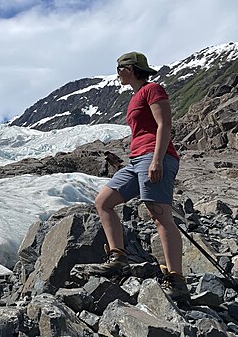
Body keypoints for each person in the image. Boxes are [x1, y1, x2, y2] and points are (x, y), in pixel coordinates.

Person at [89, 51, 189, 304]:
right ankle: (118, 257)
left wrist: (156, 160)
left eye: (119, 68)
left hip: (155, 156)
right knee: (104, 202)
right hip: (136, 160)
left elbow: (164, 125)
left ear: (130, 69)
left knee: (158, 213)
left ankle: (176, 281)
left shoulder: (152, 89)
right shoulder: (135, 97)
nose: (117, 73)